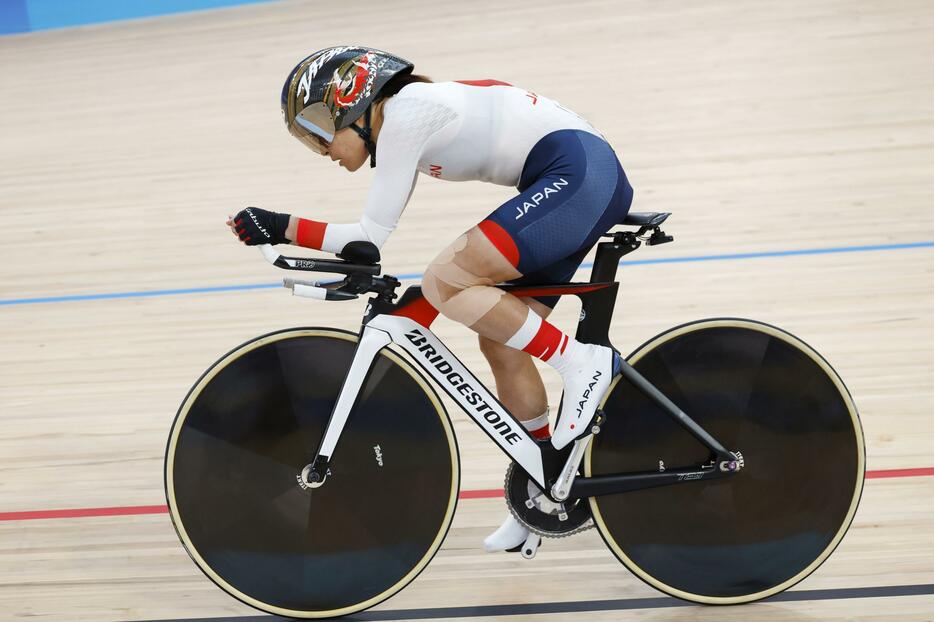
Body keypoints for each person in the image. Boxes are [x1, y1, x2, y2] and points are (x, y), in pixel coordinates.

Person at [228, 46, 633, 553]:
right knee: (501, 341)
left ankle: (582, 363)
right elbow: (367, 243)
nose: (320, 148)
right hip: (577, 178)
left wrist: (282, 225)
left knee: (446, 280)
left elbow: (368, 238)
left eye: (317, 129)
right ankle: (544, 486)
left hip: (579, 177)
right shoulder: (408, 116)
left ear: (350, 102)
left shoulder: (407, 113)